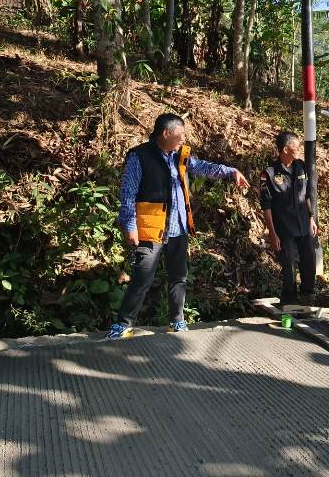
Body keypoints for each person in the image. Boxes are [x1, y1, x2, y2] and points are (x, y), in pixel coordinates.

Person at [107, 113, 249, 338]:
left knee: (179, 277)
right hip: (151, 228)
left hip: (178, 228)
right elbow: (128, 193)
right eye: (180, 134)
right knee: (142, 277)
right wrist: (130, 225)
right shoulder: (139, 156)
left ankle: (177, 321)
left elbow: (203, 167)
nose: (183, 139)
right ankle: (124, 324)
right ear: (166, 133)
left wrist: (230, 172)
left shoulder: (180, 155)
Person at [259, 131, 318, 306]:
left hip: (303, 224)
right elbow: (266, 206)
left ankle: (308, 297)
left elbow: (306, 195)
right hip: (284, 228)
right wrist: (272, 233)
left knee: (309, 261)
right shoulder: (269, 174)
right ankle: (289, 302)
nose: (299, 150)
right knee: (289, 266)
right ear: (285, 149)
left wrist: (311, 218)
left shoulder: (301, 166)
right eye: (296, 147)